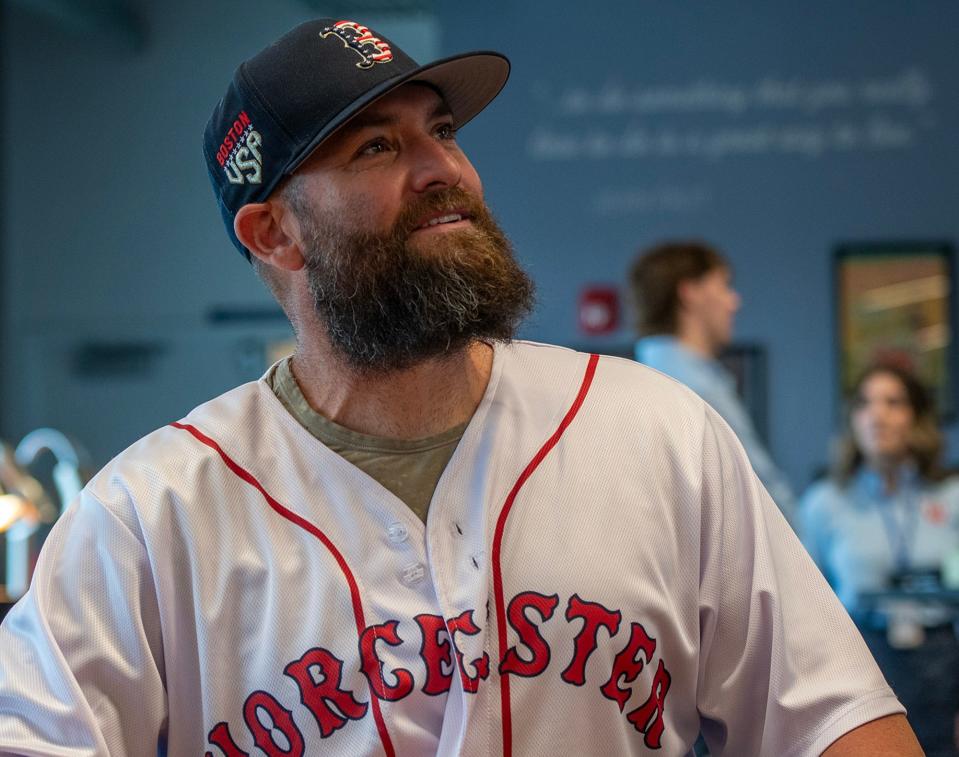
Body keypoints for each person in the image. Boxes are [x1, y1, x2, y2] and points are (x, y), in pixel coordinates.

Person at [0, 18, 921, 756]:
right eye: (374, 146)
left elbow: (834, 719)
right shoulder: (145, 513)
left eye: (440, 130)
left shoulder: (655, 431)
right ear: (275, 235)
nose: (445, 168)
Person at [800, 364, 959, 755]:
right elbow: (808, 613)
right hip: (863, 667)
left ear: (916, 418)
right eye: (866, 403)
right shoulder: (825, 504)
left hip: (942, 666)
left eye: (893, 402)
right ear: (853, 419)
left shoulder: (951, 496)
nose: (878, 414)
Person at [630, 241, 797, 523]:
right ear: (690, 293)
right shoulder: (694, 389)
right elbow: (762, 495)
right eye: (724, 286)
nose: (734, 301)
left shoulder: (640, 376)